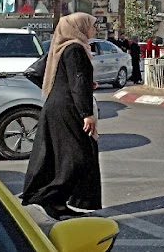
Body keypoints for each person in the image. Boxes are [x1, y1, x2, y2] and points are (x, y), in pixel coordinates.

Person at [21, 13, 101, 222]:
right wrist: (87, 114)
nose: (94, 30)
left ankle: (57, 202)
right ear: (79, 27)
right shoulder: (75, 49)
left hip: (58, 106)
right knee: (77, 157)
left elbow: (68, 79)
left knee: (60, 156)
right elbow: (78, 81)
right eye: (91, 26)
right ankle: (46, 197)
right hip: (68, 109)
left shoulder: (63, 48)